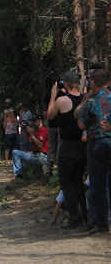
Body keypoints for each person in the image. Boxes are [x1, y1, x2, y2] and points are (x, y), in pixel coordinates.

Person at [46, 70, 87, 229]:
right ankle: (84, 213)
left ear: (66, 84)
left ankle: (74, 217)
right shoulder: (84, 99)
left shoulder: (63, 100)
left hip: (67, 145)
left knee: (66, 182)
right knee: (78, 180)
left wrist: (52, 96)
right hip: (81, 144)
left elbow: (50, 116)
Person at [76, 67, 111, 235]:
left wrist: (85, 98)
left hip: (97, 144)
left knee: (97, 183)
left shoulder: (91, 102)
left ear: (94, 83)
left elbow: (81, 123)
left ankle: (101, 223)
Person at [11, 114, 48, 179]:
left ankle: (19, 175)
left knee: (15, 152)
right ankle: (23, 176)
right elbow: (28, 141)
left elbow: (40, 145)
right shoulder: (36, 131)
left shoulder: (43, 130)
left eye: (35, 121)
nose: (34, 123)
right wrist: (25, 131)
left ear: (40, 121)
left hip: (42, 156)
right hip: (36, 154)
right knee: (20, 153)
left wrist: (32, 134)